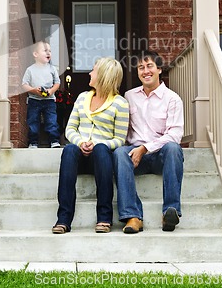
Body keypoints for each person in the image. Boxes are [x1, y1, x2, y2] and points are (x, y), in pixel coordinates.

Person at [52, 57, 129, 234]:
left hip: (102, 160)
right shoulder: (82, 98)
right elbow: (70, 129)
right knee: (69, 149)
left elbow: (120, 139)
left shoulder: (120, 103)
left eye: (93, 70)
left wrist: (97, 144)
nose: (89, 73)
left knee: (102, 149)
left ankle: (104, 217)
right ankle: (63, 219)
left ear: (103, 75)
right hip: (79, 156)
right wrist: (80, 142)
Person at [113, 50, 184, 234]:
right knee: (120, 153)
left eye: (149, 66)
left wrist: (145, 148)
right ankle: (132, 216)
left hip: (161, 156)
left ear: (159, 69)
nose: (145, 71)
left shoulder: (172, 99)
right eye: (141, 67)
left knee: (173, 148)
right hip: (136, 158)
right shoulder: (129, 96)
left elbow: (175, 134)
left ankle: (171, 210)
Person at [22, 40, 61, 148]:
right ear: (35, 54)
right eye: (45, 51)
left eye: (50, 51)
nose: (48, 53)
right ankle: (33, 142)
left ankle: (54, 141)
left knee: (51, 121)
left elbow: (57, 83)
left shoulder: (52, 69)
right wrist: (34, 90)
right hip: (34, 100)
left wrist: (51, 91)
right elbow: (24, 84)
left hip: (49, 100)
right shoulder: (30, 70)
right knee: (33, 121)